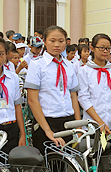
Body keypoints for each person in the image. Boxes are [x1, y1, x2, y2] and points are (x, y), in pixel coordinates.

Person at [24, 26, 80, 154]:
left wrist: (78, 126)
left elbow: (73, 97)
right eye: (52, 40)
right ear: (44, 41)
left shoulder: (69, 66)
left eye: (61, 41)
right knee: (48, 164)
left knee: (65, 164)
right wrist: (48, 130)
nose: (57, 45)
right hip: (47, 120)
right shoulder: (37, 64)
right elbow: (33, 100)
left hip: (68, 121)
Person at [77, 33, 111, 136]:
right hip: (92, 125)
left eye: (108, 48)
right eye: (101, 48)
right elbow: (83, 99)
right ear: (92, 48)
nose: (105, 51)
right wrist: (100, 122)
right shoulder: (84, 71)